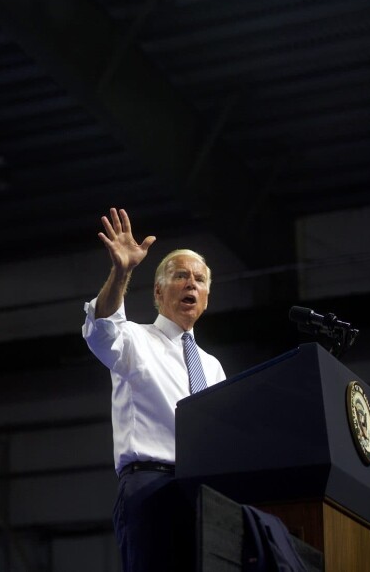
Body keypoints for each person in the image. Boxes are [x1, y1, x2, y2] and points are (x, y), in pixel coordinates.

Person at [81, 208, 226, 571]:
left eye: (200, 279)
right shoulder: (134, 339)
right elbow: (102, 328)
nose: (191, 283)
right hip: (151, 488)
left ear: (207, 296)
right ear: (159, 291)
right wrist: (121, 271)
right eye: (181, 276)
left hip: (207, 497)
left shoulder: (213, 367)